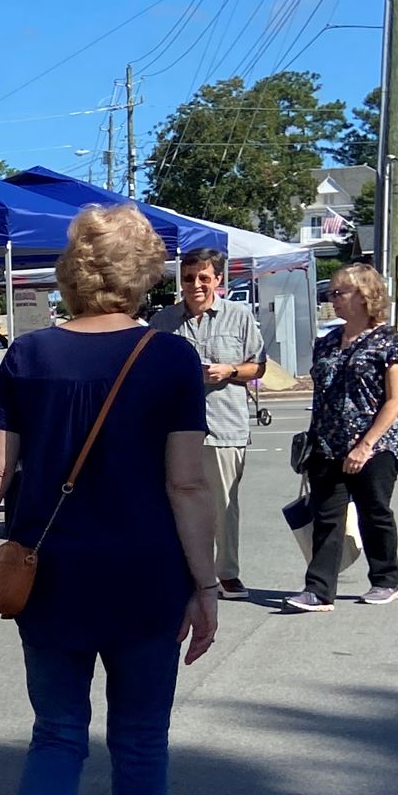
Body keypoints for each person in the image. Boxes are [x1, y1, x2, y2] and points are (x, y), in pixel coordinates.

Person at [0, 207, 218, 795]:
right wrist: (207, 583)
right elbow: (188, 483)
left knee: (57, 733)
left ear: (73, 272)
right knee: (139, 740)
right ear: (144, 274)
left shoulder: (29, 356)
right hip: (144, 572)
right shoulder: (169, 360)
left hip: (51, 571)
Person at [288, 263, 398, 613]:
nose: (332, 299)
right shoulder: (328, 341)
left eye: (338, 293)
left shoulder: (390, 343)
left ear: (364, 296)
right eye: (331, 293)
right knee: (326, 517)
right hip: (328, 444)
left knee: (373, 512)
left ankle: (385, 579)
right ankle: (318, 591)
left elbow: (396, 399)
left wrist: (366, 444)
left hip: (376, 445)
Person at [151, 248, 266, 596]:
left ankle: (226, 572)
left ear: (218, 280)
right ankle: (181, 569)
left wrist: (229, 370)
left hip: (225, 425)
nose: (196, 285)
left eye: (204, 277)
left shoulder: (239, 317)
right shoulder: (163, 322)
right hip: (175, 428)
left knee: (223, 505)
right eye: (189, 278)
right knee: (175, 501)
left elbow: (258, 366)